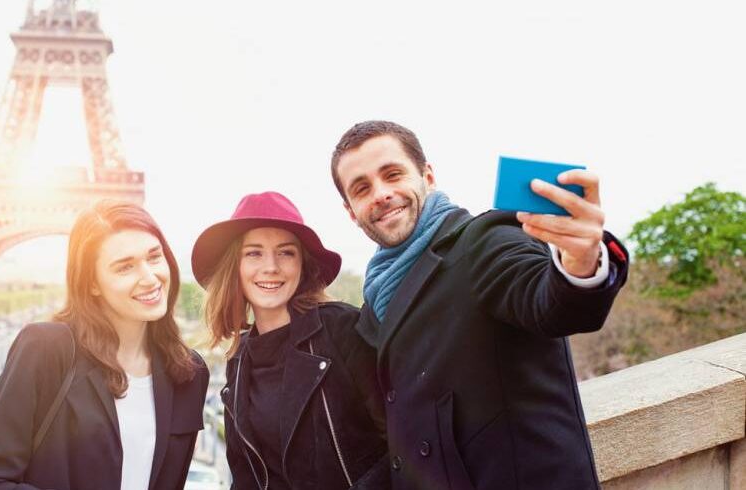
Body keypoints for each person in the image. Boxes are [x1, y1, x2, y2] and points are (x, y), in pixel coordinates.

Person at [329, 120, 629, 489]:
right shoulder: (375, 303)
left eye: (393, 174)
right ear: (351, 211)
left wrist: (581, 264)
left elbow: (552, 303)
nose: (380, 194)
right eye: (362, 188)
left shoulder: (483, 242)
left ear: (428, 176)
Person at [0, 200, 210, 490]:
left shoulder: (189, 373)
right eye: (125, 267)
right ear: (92, 283)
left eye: (154, 257)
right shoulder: (45, 349)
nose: (149, 277)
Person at [192, 191, 389, 489]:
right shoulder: (238, 361)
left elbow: (401, 444)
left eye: (286, 252)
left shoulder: (341, 329)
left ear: (302, 264)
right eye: (254, 253)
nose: (271, 266)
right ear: (236, 267)